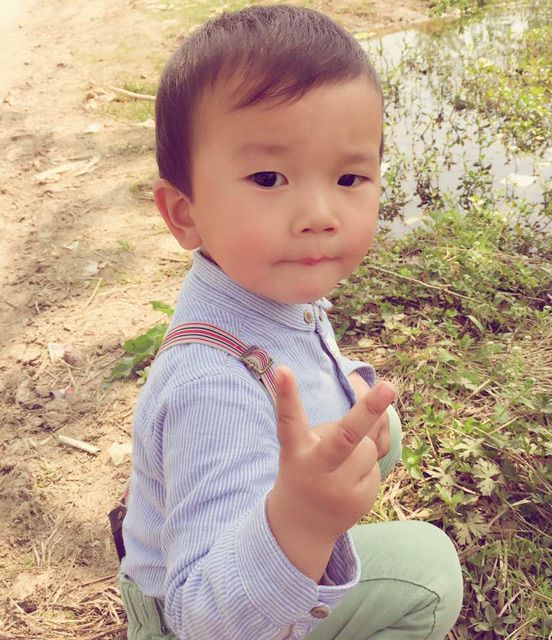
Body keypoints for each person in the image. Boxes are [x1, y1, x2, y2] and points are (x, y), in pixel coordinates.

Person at [118, 5, 463, 639]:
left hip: (242, 539)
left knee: (377, 427)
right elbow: (202, 622)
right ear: (184, 213)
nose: (320, 214)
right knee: (429, 573)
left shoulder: (261, 283)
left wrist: (346, 384)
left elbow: (299, 348)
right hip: (206, 614)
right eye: (269, 177)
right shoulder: (211, 390)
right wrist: (301, 522)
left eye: (349, 176)